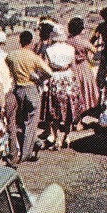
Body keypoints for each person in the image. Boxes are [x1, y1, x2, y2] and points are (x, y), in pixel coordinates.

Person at [6, 29, 49, 163]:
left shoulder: (11, 56)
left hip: (17, 89)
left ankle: (19, 148)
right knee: (31, 123)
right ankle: (25, 153)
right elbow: (48, 72)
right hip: (30, 89)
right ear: (31, 42)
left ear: (20, 41)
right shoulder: (33, 56)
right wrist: (39, 79)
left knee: (20, 121)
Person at [39, 22, 78, 150]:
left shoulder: (49, 51)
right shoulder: (70, 49)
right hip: (68, 78)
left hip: (55, 78)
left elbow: (45, 68)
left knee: (54, 111)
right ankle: (66, 136)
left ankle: (56, 138)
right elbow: (73, 67)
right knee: (68, 109)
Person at [66, 15, 100, 123]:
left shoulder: (67, 42)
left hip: (72, 68)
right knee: (84, 92)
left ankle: (73, 118)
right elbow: (95, 52)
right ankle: (79, 119)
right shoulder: (84, 42)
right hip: (83, 68)